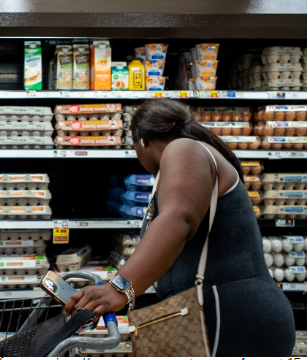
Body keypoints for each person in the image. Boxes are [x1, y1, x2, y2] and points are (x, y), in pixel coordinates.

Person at [63, 99, 295, 356]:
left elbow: (178, 219)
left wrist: (119, 288)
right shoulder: (187, 157)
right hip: (225, 315)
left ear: (141, 141)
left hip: (234, 316)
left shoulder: (183, 148)